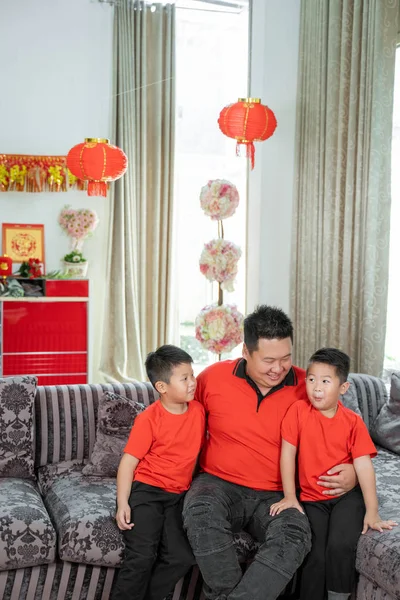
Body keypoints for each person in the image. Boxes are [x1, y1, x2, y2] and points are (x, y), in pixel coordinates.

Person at [183, 305, 357, 600]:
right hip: (218, 484)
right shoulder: (212, 378)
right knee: (200, 513)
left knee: (295, 535)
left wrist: (352, 470)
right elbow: (178, 421)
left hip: (278, 494)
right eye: (268, 360)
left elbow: (345, 431)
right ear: (246, 353)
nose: (278, 368)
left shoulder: (310, 386)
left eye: (286, 358)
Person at [270, 347, 397, 600]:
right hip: (313, 499)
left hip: (347, 498)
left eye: (326, 381)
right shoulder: (297, 411)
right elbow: (288, 454)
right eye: (312, 379)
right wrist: (289, 496)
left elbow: (363, 466)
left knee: (340, 545)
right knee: (314, 552)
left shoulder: (352, 422)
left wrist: (372, 511)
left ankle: (338, 596)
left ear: (343, 388)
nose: (317, 388)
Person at [112, 345, 205, 600]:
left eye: (193, 375)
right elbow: (128, 464)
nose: (192, 383)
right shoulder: (149, 419)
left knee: (181, 556)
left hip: (177, 497)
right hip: (147, 492)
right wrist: (122, 504)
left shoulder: (198, 411)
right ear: (162, 387)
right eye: (184, 378)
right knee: (142, 556)